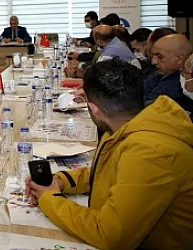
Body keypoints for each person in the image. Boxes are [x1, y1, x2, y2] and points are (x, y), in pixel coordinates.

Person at [25, 60, 193, 249]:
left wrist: (49, 199)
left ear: (94, 109)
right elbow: (107, 173)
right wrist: (61, 181)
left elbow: (110, 235)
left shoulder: (152, 152)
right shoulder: (127, 126)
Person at [145, 34, 193, 113]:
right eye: (153, 56)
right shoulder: (158, 74)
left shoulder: (182, 87)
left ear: (179, 59)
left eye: (159, 57)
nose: (153, 62)